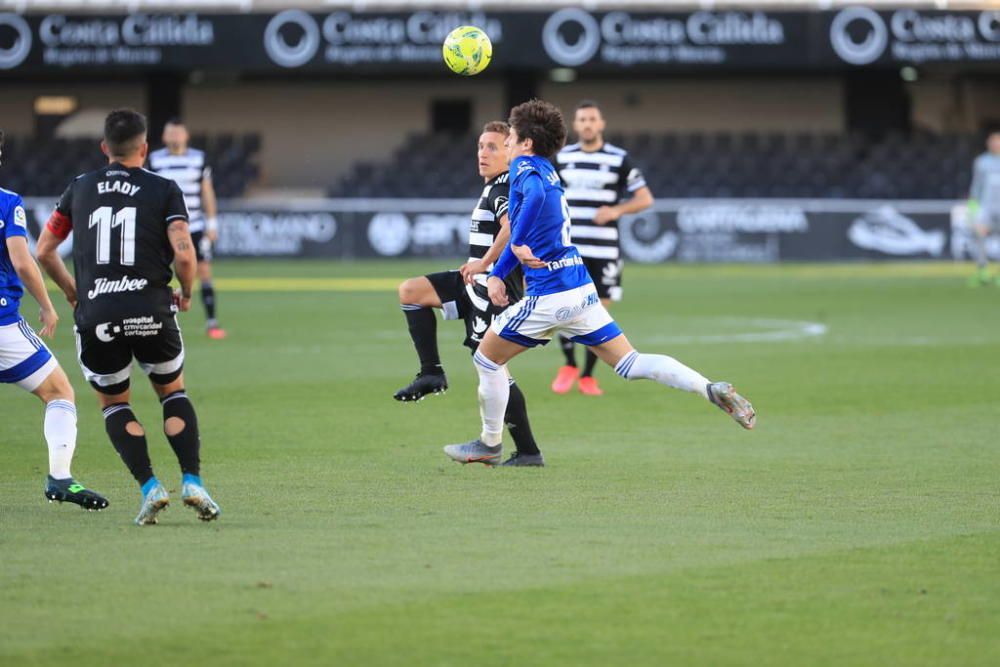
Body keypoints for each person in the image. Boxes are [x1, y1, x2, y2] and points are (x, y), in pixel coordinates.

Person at [443, 100, 755, 465]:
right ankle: (708, 388)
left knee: (486, 358)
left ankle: (490, 443)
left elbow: (533, 206)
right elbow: (536, 209)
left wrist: (509, 254)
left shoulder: (526, 169)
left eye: (510, 136)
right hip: (580, 289)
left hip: (550, 293)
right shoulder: (546, 169)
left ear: (526, 143)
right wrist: (512, 251)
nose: (507, 142)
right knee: (631, 363)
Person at [36, 109, 221, 525]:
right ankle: (193, 481)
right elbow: (185, 252)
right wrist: (187, 292)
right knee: (172, 393)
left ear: (105, 148)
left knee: (115, 403)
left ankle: (150, 488)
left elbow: (45, 249)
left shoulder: (79, 189)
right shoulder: (163, 188)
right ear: (145, 148)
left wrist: (71, 291)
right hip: (152, 310)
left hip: (97, 313)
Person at [395, 121, 543, 466]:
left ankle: (528, 451)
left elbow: (512, 226)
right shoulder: (494, 185)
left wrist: (487, 263)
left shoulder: (506, 185)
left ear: (512, 151)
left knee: (493, 368)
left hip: (495, 288)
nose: (483, 153)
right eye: (480, 146)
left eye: (493, 146)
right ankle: (431, 372)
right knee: (412, 292)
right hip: (473, 282)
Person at [0, 130, 108, 510]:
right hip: (2, 326)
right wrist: (47, 303)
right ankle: (60, 478)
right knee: (59, 392)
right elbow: (21, 259)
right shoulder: (6, 203)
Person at [551, 101, 654, 396]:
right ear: (575, 124)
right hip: (569, 249)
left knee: (597, 313)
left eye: (592, 119)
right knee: (566, 307)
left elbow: (645, 198)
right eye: (581, 119)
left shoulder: (618, 159)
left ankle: (586, 375)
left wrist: (616, 211)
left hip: (605, 250)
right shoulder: (562, 158)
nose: (586, 124)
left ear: (601, 124)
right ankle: (569, 364)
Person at [148, 118, 226, 338]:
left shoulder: (198, 159)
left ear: (186, 136)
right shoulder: (154, 160)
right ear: (164, 137)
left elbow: (207, 192)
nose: (174, 137)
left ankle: (212, 321)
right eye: (170, 133)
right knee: (156, 272)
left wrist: (211, 223)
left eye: (177, 133)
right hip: (164, 227)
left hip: (194, 225)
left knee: (203, 271)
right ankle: (155, 322)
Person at [966, 129, 1000, 287]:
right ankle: (982, 272)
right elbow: (976, 185)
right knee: (979, 236)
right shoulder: (981, 162)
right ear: (988, 143)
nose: (995, 144)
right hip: (986, 207)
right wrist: (972, 205)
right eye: (993, 141)